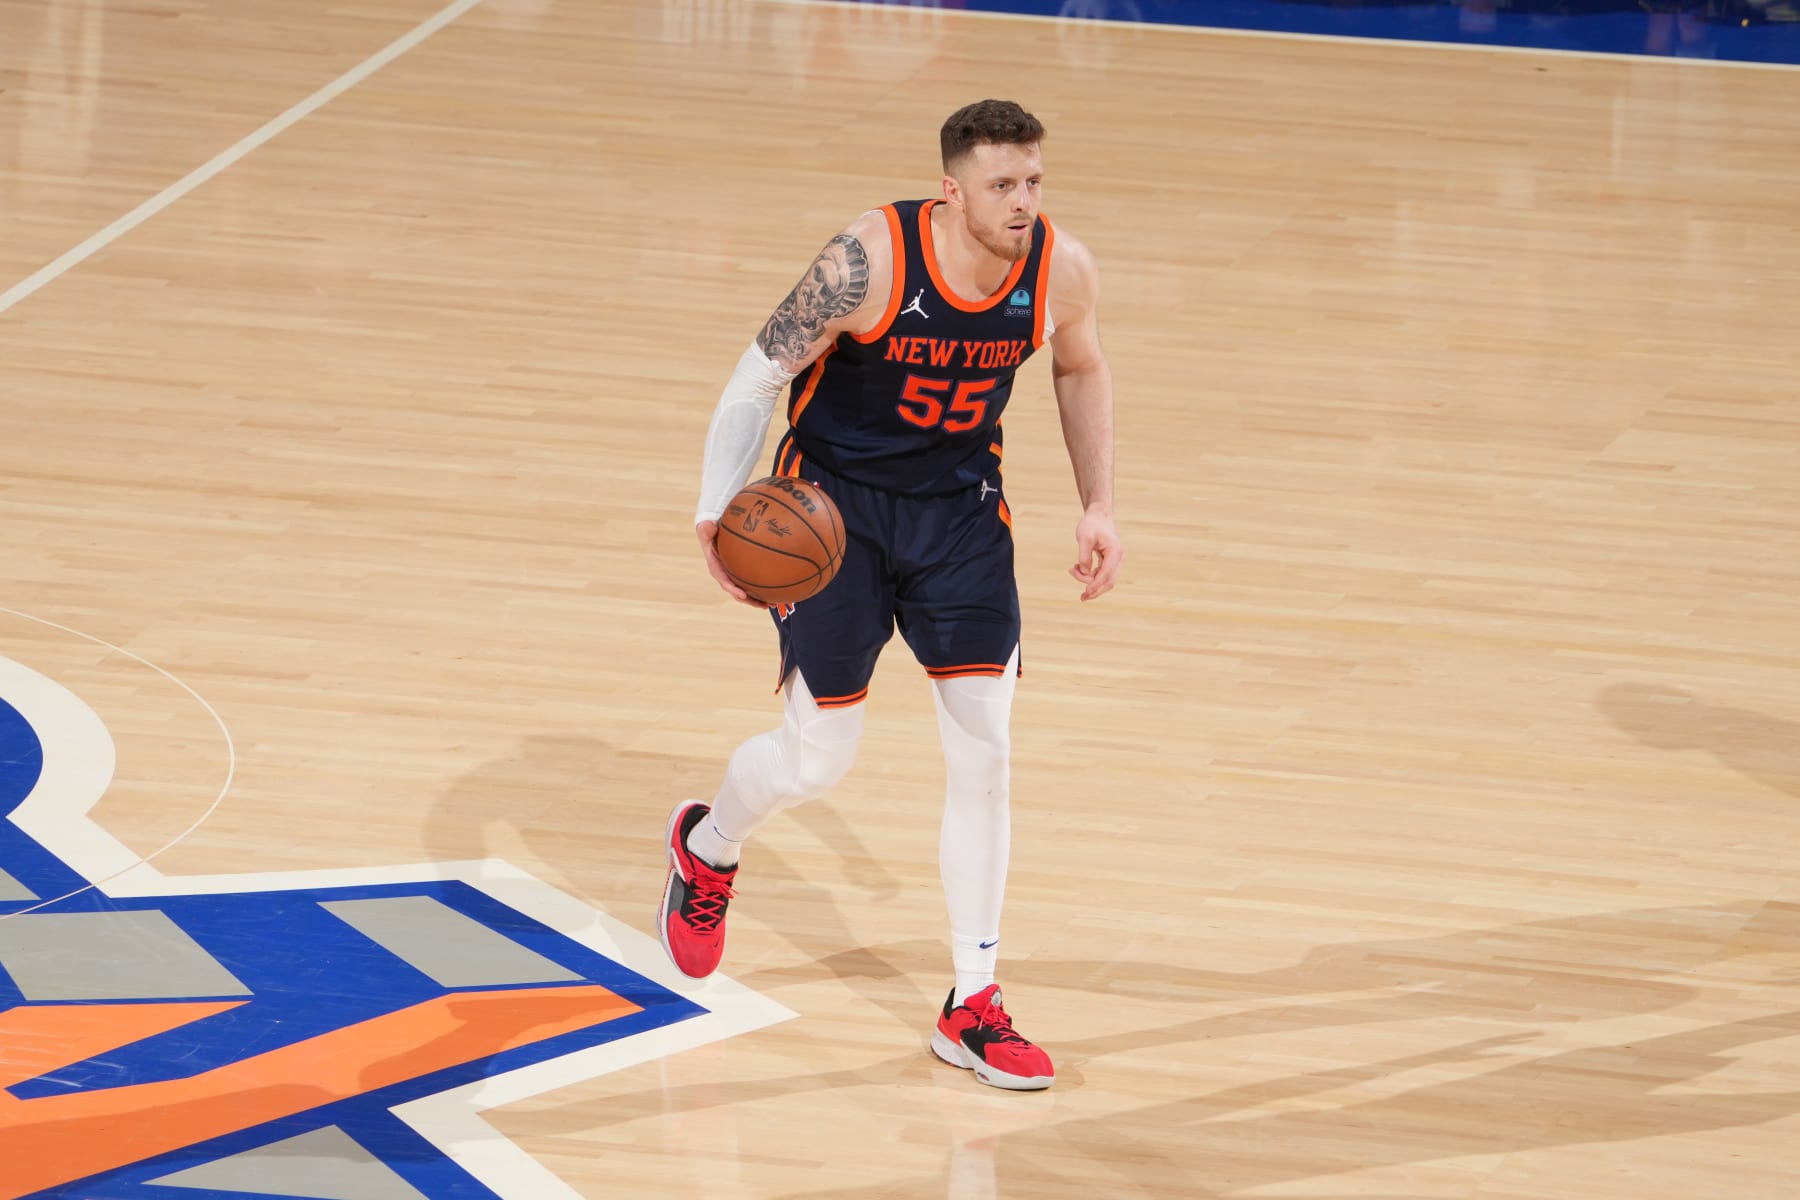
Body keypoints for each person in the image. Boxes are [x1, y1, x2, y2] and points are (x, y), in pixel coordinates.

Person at [659, 99, 1121, 1092]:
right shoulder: (868, 260)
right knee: (817, 758)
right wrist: (713, 510)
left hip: (960, 519)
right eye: (1003, 185)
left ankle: (974, 1002)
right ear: (952, 190)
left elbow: (1080, 369)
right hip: (835, 519)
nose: (1024, 203)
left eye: (1035, 181)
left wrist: (1099, 504)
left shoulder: (1061, 270)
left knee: (987, 749)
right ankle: (709, 845)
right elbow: (756, 378)